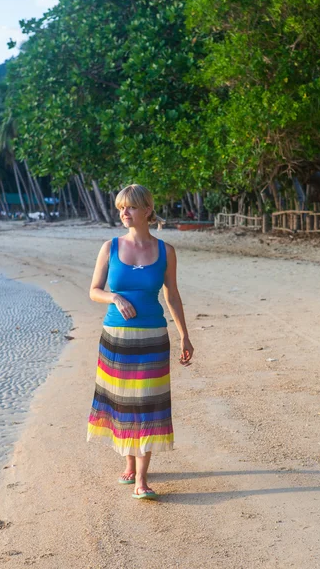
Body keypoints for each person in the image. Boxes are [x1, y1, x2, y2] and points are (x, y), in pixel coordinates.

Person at [87, 184, 194, 500]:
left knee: (147, 405)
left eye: (131, 207)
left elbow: (171, 295)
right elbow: (94, 290)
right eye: (121, 207)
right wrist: (115, 297)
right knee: (122, 403)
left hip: (152, 338)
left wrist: (184, 335)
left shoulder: (166, 251)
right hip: (116, 339)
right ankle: (130, 463)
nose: (124, 213)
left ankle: (141, 479)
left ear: (148, 210)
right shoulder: (109, 247)